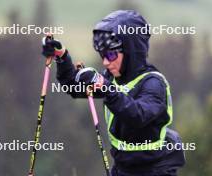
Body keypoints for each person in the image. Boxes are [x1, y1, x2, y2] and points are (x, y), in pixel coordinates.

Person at [42, 10, 185, 176]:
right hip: (122, 169)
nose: (105, 62)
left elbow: (137, 115)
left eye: (111, 54)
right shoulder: (112, 77)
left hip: (154, 171)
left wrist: (106, 88)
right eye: (102, 55)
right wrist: (62, 57)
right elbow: (74, 88)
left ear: (132, 51)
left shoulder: (153, 84)